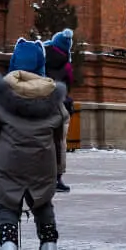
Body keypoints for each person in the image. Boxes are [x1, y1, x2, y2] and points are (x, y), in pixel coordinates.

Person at [0, 38, 67, 250]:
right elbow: (59, 139)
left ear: (13, 64)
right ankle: (49, 242)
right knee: (42, 203)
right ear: (41, 66)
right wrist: (59, 170)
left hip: (8, 163)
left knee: (6, 204)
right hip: (42, 162)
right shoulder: (53, 98)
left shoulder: (0, 96)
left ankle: (9, 243)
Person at [43, 30, 75, 191]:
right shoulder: (67, 64)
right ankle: (57, 179)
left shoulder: (42, 56)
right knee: (59, 143)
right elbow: (70, 82)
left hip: (41, 105)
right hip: (60, 105)